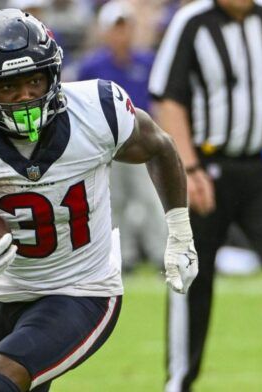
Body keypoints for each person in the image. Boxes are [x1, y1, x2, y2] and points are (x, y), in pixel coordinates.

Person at [0, 9, 198, 391]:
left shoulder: (97, 111)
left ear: (53, 73)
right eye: (8, 86)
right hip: (5, 294)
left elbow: (160, 147)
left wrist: (180, 234)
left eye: (34, 80)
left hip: (82, 290)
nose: (26, 96)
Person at [149, 0, 262, 391]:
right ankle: (179, 380)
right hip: (206, 169)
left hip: (261, 168)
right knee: (192, 274)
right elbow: (168, 98)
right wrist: (188, 169)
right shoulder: (191, 22)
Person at [77, 0, 165, 271]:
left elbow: (158, 102)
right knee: (113, 203)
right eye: (116, 29)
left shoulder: (148, 62)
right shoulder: (92, 66)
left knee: (152, 199)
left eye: (126, 28)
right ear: (105, 32)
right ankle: (121, 257)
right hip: (107, 146)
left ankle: (162, 254)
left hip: (142, 141)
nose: (121, 34)